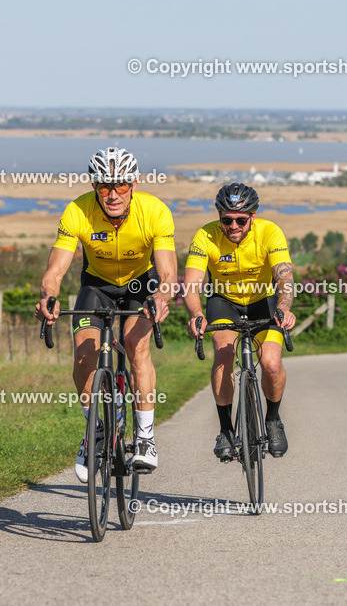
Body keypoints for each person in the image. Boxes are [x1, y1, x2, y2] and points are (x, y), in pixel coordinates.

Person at [36, 147, 176, 482]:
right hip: (96, 286)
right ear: (94, 185)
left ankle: (145, 438)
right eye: (103, 186)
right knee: (85, 354)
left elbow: (168, 272)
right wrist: (49, 297)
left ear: (134, 184)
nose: (112, 194)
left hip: (140, 286)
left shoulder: (155, 211)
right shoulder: (77, 211)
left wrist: (161, 297)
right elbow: (55, 270)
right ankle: (95, 432)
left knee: (135, 346)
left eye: (121, 186)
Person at [183, 183, 297, 460]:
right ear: (219, 216)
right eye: (226, 219)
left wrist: (284, 308)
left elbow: (285, 278)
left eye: (241, 220)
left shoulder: (269, 232)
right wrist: (197, 315)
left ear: (253, 216)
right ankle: (226, 430)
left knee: (270, 363)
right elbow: (192, 284)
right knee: (224, 355)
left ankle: (272, 419)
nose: (233, 225)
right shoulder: (205, 236)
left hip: (263, 301)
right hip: (225, 302)